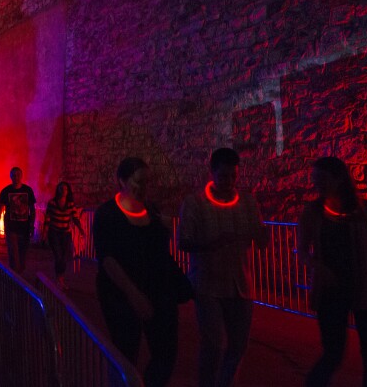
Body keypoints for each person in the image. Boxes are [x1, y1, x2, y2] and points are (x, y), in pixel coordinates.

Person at [95, 157, 191, 387]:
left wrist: (165, 231)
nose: (144, 188)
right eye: (139, 182)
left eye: (147, 182)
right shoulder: (107, 214)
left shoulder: (153, 211)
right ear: (122, 181)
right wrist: (133, 295)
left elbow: (158, 252)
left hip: (157, 289)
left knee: (166, 353)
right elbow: (108, 259)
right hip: (119, 293)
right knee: (126, 353)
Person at [178, 147, 268, 387]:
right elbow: (183, 242)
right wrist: (212, 244)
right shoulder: (195, 203)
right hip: (208, 284)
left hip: (241, 284)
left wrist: (262, 235)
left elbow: (260, 241)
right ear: (212, 173)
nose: (229, 182)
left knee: (238, 345)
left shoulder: (247, 202)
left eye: (233, 177)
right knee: (214, 344)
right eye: (224, 176)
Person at [298, 156, 367, 387]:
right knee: (333, 353)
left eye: (321, 179)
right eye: (314, 179)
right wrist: (319, 268)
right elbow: (302, 252)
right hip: (331, 291)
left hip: (365, 288)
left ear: (339, 179)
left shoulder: (364, 210)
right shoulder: (312, 212)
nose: (316, 184)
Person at [42, 181, 85, 289]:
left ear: (68, 191)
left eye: (65, 189)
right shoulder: (52, 203)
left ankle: (60, 277)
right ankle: (59, 279)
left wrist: (81, 229)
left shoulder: (70, 204)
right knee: (58, 255)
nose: (63, 191)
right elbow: (47, 219)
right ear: (58, 190)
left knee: (64, 257)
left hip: (65, 233)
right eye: (61, 188)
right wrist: (44, 233)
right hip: (54, 233)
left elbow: (75, 217)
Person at [0, 166, 36, 274]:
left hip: (24, 227)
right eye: (13, 175)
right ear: (10, 176)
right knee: (13, 253)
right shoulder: (6, 191)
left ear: (21, 176)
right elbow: (0, 209)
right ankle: (15, 276)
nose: (16, 177)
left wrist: (32, 225)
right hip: (11, 227)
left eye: (18, 175)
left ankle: (19, 273)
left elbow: (32, 210)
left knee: (23, 252)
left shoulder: (28, 190)